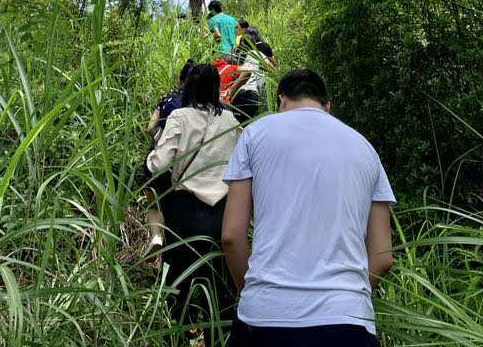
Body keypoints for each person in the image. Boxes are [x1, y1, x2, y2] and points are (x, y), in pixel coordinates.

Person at [222, 68, 395, 346]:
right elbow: (383, 257)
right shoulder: (365, 149)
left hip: (264, 318)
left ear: (282, 101)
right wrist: (350, 298)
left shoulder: (254, 135)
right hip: (348, 321)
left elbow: (231, 235)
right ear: (328, 106)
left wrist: (252, 292)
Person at [147, 63, 240, 346]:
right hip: (222, 212)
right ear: (216, 88)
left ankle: (181, 334)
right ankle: (218, 337)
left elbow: (159, 164)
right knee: (220, 284)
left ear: (187, 86)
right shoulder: (231, 121)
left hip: (183, 210)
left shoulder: (178, 117)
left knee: (178, 280)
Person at [144, 58, 197, 251]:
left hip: (161, 158)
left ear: (180, 79)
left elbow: (150, 128)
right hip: (188, 160)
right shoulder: (198, 103)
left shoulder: (167, 99)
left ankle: (156, 236)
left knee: (154, 203)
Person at [228, 28, 275, 123]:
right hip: (254, 94)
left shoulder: (237, 57)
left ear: (242, 44)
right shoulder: (259, 55)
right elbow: (273, 69)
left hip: (240, 93)